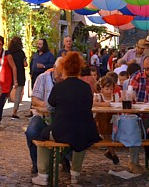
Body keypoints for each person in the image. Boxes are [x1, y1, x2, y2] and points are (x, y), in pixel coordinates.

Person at [32, 52, 100, 186]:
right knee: (81, 138)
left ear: (64, 69)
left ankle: (43, 174)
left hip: (61, 131)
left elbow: (50, 107)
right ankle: (75, 175)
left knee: (41, 136)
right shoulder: (86, 87)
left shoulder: (59, 87)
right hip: (84, 130)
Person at [25, 57, 63, 175]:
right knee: (31, 132)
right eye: (59, 72)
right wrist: (46, 104)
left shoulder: (67, 81)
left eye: (63, 73)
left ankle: (65, 159)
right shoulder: (43, 78)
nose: (60, 76)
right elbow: (35, 99)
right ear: (54, 68)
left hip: (60, 118)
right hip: (42, 115)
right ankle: (37, 164)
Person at [93, 76, 121, 165]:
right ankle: (112, 152)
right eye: (107, 89)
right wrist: (105, 104)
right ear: (102, 88)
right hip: (101, 120)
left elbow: (119, 104)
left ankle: (110, 151)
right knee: (105, 130)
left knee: (109, 131)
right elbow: (93, 102)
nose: (109, 91)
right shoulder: (98, 96)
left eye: (111, 89)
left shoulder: (115, 96)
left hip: (112, 120)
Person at [0, 35, 17, 127]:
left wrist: (15, 81)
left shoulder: (7, 55)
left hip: (4, 83)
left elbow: (14, 67)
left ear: (3, 45)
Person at [8, 36, 28, 119]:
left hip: (10, 74)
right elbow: (25, 64)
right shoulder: (21, 53)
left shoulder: (9, 53)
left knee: (6, 92)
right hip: (20, 74)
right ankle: (14, 112)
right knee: (18, 94)